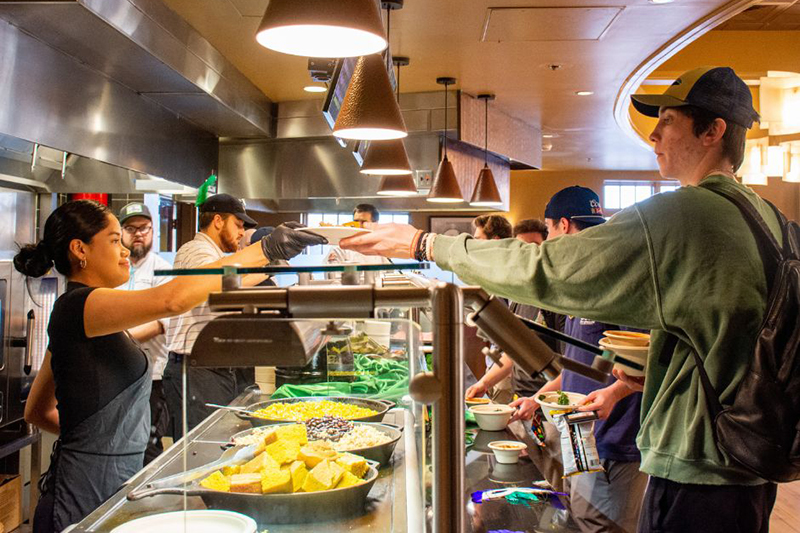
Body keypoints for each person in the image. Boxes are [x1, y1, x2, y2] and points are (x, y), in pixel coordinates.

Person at [341, 66, 778, 532]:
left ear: (712, 131)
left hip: (700, 470)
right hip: (752, 460)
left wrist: (425, 245)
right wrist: (628, 381)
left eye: (668, 120)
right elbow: (717, 337)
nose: (653, 133)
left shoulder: (685, 213)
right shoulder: (766, 218)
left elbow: (546, 269)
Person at [16, 199, 325, 533]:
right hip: (78, 493)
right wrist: (265, 249)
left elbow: (36, 410)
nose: (124, 250)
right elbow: (173, 298)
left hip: (111, 480)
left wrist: (107, 443)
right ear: (80, 250)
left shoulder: (84, 316)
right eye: (114, 240)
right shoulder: (79, 304)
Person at [511, 186, 647, 533]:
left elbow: (647, 359)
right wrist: (539, 397)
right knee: (579, 521)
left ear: (564, 225)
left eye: (549, 230)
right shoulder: (581, 281)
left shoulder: (615, 279)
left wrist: (614, 394)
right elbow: (585, 363)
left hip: (613, 441)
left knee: (603, 528)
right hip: (579, 435)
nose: (547, 242)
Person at [163, 194, 273, 438]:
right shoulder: (196, 251)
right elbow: (223, 287)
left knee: (220, 444)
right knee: (203, 448)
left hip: (212, 368)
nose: (242, 232)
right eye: (238, 224)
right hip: (195, 370)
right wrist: (269, 257)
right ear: (217, 221)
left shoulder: (214, 255)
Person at [115, 202, 173, 464]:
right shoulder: (114, 270)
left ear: (153, 230)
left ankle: (150, 500)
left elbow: (161, 322)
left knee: (147, 443)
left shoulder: (162, 271)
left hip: (153, 376)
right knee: (121, 439)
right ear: (121, 232)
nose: (138, 233)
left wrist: (118, 339)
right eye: (131, 228)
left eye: (144, 228)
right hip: (117, 375)